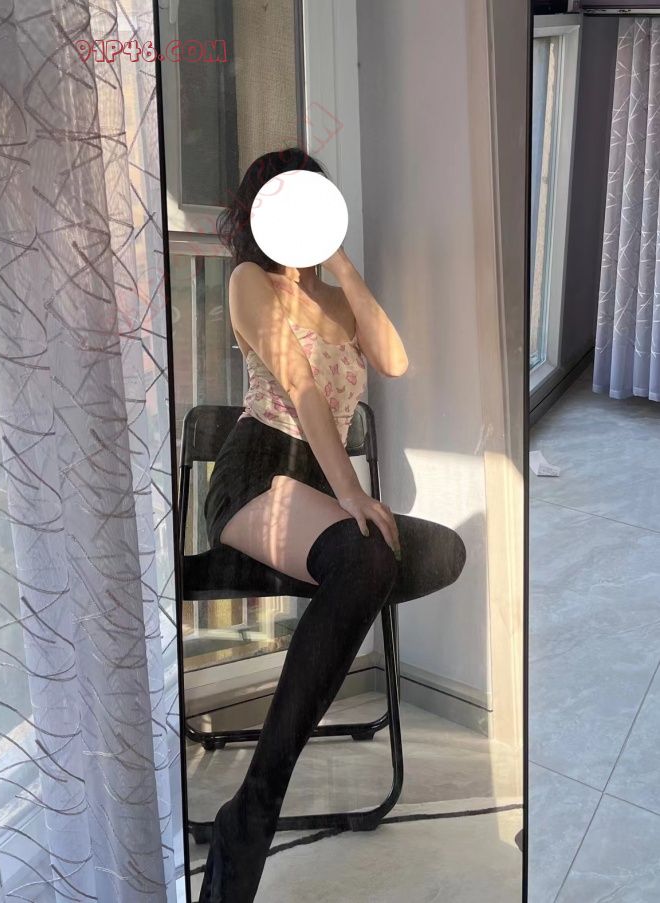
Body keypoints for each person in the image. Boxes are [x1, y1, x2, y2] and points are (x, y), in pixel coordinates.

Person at [197, 147, 466, 902]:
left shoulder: (336, 297)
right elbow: (303, 391)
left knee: (442, 550)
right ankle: (252, 809)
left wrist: (340, 259)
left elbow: (396, 359)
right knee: (368, 559)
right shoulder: (251, 282)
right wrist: (352, 490)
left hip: (318, 493)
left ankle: (345, 572)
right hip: (260, 472)